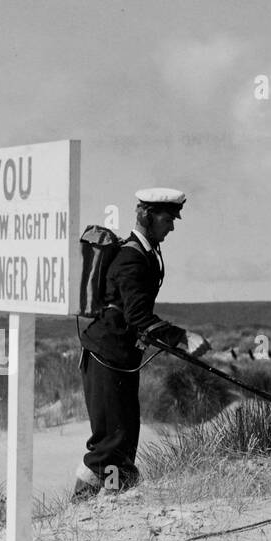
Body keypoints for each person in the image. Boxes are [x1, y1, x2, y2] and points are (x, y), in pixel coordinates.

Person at [75, 188, 210, 500]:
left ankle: (112, 494)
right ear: (148, 216)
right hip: (106, 356)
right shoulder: (131, 259)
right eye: (168, 218)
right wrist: (183, 338)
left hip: (117, 356)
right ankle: (88, 502)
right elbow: (138, 316)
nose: (173, 226)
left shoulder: (142, 253)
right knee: (112, 437)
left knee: (121, 433)